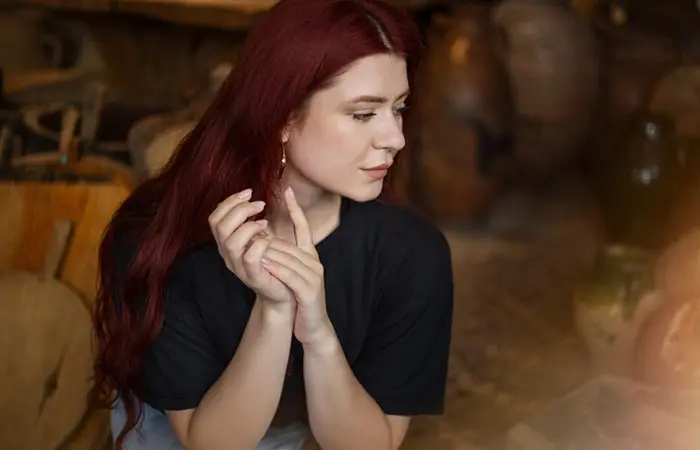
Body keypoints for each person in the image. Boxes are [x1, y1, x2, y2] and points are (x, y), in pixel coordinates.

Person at [91, 0, 454, 449]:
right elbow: (210, 443)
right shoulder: (157, 238)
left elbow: (371, 445)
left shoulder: (413, 254)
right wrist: (274, 310)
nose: (395, 138)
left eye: (398, 108)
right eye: (363, 114)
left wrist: (319, 336)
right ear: (281, 118)